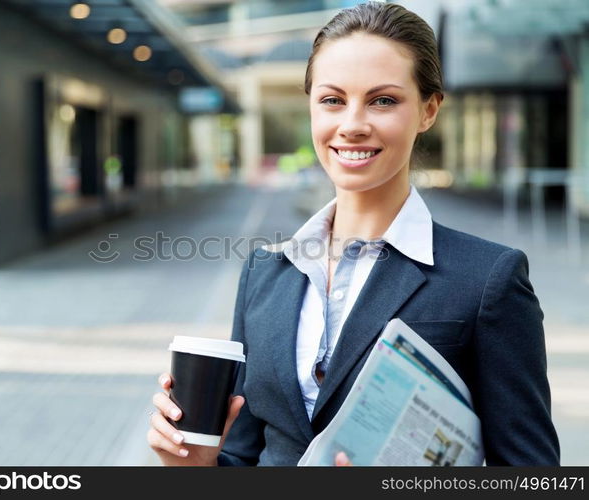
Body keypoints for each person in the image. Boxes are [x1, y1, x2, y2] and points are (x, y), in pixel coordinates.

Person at [147, 1, 561, 466]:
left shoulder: (488, 279)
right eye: (332, 100)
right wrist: (196, 466)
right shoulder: (265, 273)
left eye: (383, 100)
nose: (353, 125)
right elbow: (245, 454)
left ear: (428, 110)